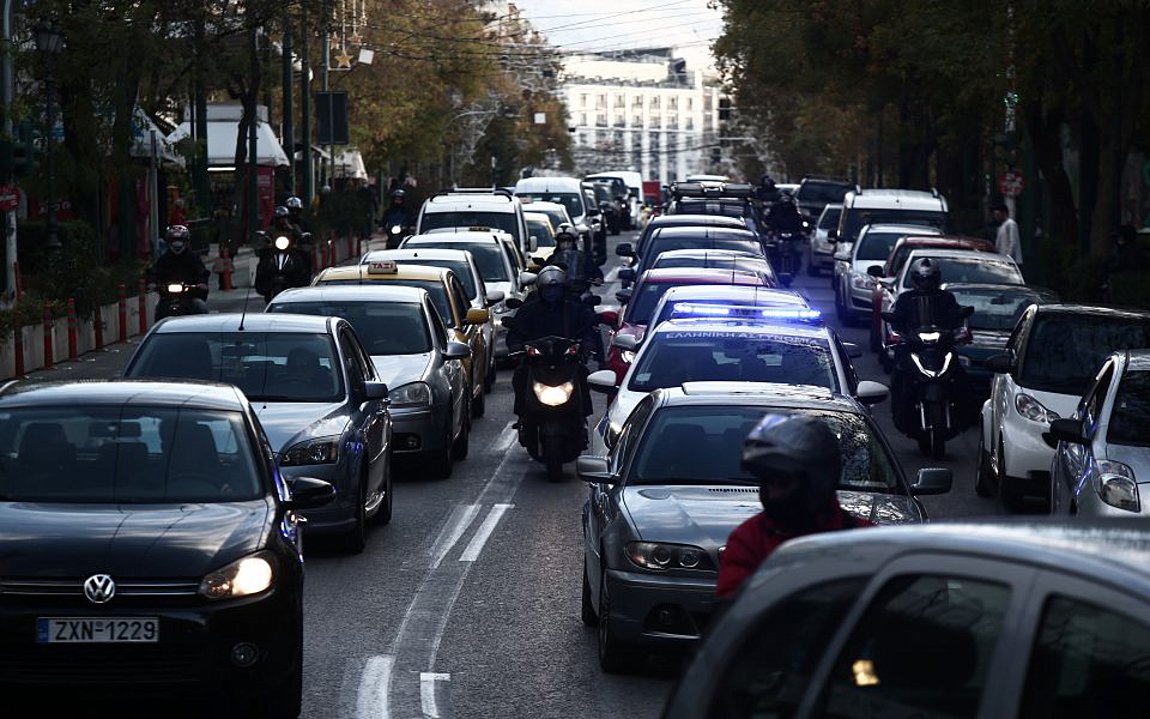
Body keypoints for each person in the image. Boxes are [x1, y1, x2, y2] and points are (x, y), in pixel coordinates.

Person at [715, 414, 872, 600]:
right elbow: (733, 613)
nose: (772, 495)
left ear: (816, 482)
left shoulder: (866, 541)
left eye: (781, 483)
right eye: (767, 483)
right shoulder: (750, 539)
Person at [887, 257, 971, 433]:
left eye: (930, 279)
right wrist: (896, 335)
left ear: (937, 279)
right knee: (899, 373)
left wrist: (960, 332)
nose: (926, 283)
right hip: (914, 347)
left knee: (961, 376)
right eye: (922, 279)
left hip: (942, 348)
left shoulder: (946, 298)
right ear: (915, 279)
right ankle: (901, 412)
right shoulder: (905, 299)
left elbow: (956, 317)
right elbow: (896, 320)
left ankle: (964, 415)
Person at [506, 265, 604, 415]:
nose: (552, 293)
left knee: (582, 373)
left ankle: (582, 414)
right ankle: (523, 416)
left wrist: (587, 344)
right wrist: (516, 346)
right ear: (541, 290)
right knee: (521, 375)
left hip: (566, 361)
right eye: (548, 289)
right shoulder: (529, 310)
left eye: (556, 288)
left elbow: (588, 328)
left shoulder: (574, 309)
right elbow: (516, 332)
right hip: (537, 363)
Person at [152, 225, 209, 317]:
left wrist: (202, 283)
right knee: (159, 309)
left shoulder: (193, 258)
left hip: (189, 296)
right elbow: (155, 271)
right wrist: (152, 282)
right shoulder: (164, 259)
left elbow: (202, 272)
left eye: (180, 240)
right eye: (174, 240)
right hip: (167, 297)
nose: (177, 243)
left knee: (200, 306)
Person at [547, 223, 603, 293]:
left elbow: (594, 270)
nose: (566, 244)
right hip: (558, 293)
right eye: (562, 240)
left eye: (569, 240)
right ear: (558, 242)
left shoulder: (583, 257)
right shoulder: (552, 259)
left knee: (589, 298)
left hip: (580, 291)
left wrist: (597, 278)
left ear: (574, 242)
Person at [992, 202, 1023, 274]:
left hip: (1010, 260)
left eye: (998, 215)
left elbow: (1013, 242)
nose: (996, 217)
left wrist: (1008, 257)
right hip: (1002, 259)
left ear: (1004, 213)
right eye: (995, 215)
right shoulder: (1002, 226)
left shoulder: (1011, 224)